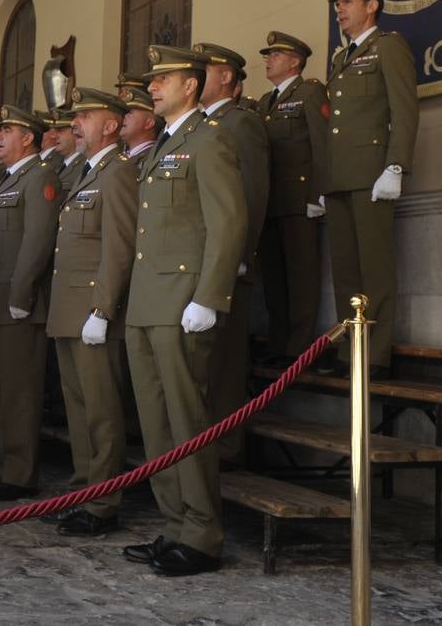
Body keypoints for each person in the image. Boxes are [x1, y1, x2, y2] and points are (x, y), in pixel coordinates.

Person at [122, 45, 246, 578]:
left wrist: (209, 296)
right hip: (145, 302)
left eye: (163, 79)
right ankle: (173, 524)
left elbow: (229, 222)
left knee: (187, 420)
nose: (153, 87)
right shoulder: (162, 146)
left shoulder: (209, 139)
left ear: (191, 86)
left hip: (181, 304)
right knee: (155, 424)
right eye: (153, 80)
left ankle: (201, 535)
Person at [44, 87, 138, 537]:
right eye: (75, 117)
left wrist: (103, 308)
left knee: (101, 410)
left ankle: (103, 502)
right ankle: (83, 490)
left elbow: (118, 247)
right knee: (78, 407)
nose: (75, 124)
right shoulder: (85, 171)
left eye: (86, 116)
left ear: (111, 125)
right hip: (68, 308)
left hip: (92, 311)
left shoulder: (118, 173)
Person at [0, 105, 63, 501]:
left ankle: (20, 473)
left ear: (28, 137)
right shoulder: (10, 181)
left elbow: (37, 241)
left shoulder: (40, 177)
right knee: (1, 393)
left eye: (6, 130)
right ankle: (2, 465)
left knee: (19, 394)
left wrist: (21, 295)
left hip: (17, 305)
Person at [323, 0, 418, 373]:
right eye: (337, 4)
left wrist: (395, 166)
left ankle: (373, 357)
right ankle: (350, 352)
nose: (339, 10)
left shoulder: (388, 47)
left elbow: (404, 110)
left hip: (372, 175)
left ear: (371, 5)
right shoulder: (341, 58)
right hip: (340, 177)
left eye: (347, 2)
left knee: (374, 269)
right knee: (346, 272)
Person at [193, 43, 269, 461]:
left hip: (227, 261)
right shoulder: (201, 126)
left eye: (208, 68)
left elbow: (253, 192)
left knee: (224, 363)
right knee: (205, 363)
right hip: (199, 261)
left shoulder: (240, 123)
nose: (200, 74)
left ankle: (225, 446)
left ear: (227, 79)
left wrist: (241, 253)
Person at [255, 32, 329, 364]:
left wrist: (319, 193)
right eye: (268, 55)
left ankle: (299, 348)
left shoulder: (310, 92)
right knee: (274, 278)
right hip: (272, 203)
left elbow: (322, 143)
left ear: (295, 61)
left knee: (301, 278)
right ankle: (279, 343)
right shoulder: (265, 103)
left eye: (276, 54)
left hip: (300, 201)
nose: (269, 60)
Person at [43, 108, 85, 195]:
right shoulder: (59, 165)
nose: (55, 136)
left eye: (60, 131)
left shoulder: (83, 166)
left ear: (75, 131)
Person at [117, 84, 160, 165]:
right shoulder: (119, 156)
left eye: (129, 113)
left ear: (149, 123)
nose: (124, 117)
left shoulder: (154, 158)